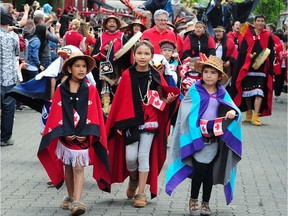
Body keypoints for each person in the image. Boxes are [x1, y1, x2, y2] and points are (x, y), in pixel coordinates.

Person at [166, 55, 242, 216]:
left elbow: (235, 111)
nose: (208, 75)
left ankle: (205, 203)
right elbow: (185, 112)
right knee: (199, 169)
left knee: (209, 171)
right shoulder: (195, 90)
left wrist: (231, 112)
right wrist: (194, 130)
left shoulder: (222, 92)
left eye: (212, 73)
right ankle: (193, 200)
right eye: (206, 72)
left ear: (219, 76)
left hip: (214, 138)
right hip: (196, 137)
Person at [106, 40, 180, 207]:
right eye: (139, 53)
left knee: (143, 156)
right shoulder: (127, 75)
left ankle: (141, 193)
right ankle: (133, 179)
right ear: (134, 55)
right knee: (130, 158)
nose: (142, 57)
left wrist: (166, 100)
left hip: (150, 121)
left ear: (151, 56)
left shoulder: (155, 75)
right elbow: (120, 100)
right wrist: (118, 122)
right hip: (130, 121)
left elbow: (161, 96)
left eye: (146, 54)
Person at [37, 52, 111, 216]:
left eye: (84, 66)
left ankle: (78, 201)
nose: (81, 69)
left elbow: (94, 112)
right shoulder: (60, 88)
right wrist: (64, 132)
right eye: (77, 66)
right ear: (69, 69)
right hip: (66, 135)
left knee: (78, 167)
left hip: (83, 135)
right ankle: (70, 197)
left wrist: (86, 132)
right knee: (68, 167)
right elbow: (57, 112)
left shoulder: (91, 89)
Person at [229, 14, 274, 126]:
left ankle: (256, 115)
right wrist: (248, 57)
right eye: (258, 20)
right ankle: (249, 111)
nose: (260, 23)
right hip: (248, 67)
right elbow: (243, 51)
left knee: (259, 91)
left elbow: (271, 53)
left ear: (264, 23)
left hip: (262, 68)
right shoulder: (248, 34)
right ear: (254, 22)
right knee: (248, 92)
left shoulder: (267, 35)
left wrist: (269, 66)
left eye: (262, 21)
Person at [91, 15, 129, 114]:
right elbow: (94, 54)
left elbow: (128, 53)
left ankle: (117, 112)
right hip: (105, 68)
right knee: (105, 90)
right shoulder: (101, 37)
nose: (112, 23)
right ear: (106, 25)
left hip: (119, 68)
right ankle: (106, 112)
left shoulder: (122, 36)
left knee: (119, 91)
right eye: (109, 22)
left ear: (117, 25)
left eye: (114, 22)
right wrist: (104, 49)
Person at [0, 7, 20, 147]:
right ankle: (5, 138)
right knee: (8, 108)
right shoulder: (13, 36)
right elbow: (17, 52)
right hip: (9, 77)